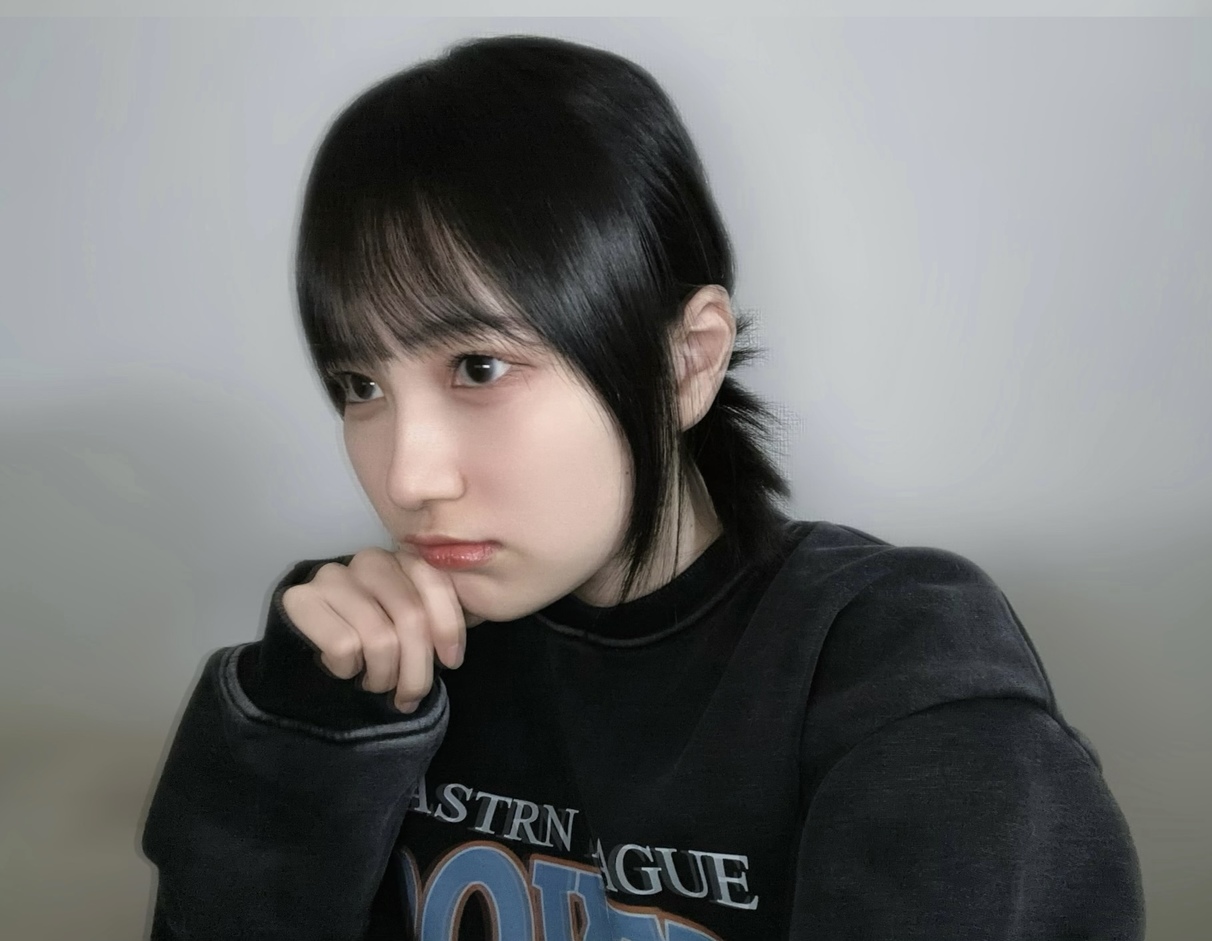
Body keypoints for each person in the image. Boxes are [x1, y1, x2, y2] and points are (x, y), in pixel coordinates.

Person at [141, 34, 1144, 941]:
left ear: (685, 361)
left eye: (478, 367)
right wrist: (302, 736)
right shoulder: (366, 649)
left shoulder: (886, 657)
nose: (407, 475)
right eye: (360, 386)